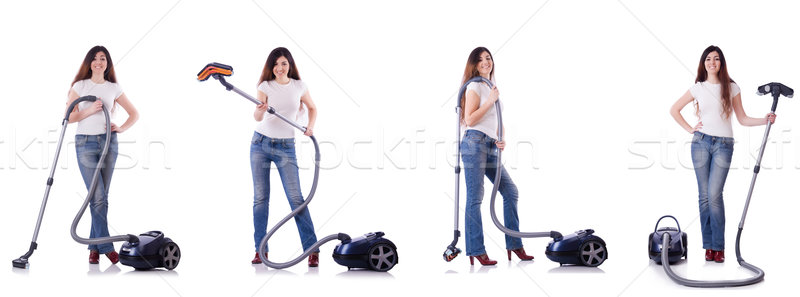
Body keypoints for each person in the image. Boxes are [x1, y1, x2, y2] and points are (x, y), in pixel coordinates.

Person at [669, 45, 775, 263]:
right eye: (708, 59)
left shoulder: (732, 87)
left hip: (723, 145)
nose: (712, 62)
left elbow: (743, 119)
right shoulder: (698, 87)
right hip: (700, 143)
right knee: (704, 196)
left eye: (716, 59)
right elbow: (674, 109)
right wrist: (691, 129)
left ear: (721, 63)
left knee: (715, 195)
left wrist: (765, 120)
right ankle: (708, 246)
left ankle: (719, 247)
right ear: (703, 63)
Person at [459, 47, 533, 266]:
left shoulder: (490, 87)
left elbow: (494, 119)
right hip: (474, 143)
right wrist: (490, 100)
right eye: (480, 59)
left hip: (491, 145)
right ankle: (476, 249)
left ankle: (515, 245)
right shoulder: (474, 86)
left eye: (488, 58)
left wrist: (501, 138)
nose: (486, 62)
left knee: (510, 191)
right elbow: (470, 120)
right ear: (474, 64)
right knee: (475, 197)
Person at [66, 45, 139, 264]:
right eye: (96, 58)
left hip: (109, 143)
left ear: (107, 63)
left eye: (103, 58)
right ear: (89, 62)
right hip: (85, 144)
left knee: (100, 198)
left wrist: (122, 128)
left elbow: (135, 114)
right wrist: (90, 109)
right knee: (97, 197)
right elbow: (70, 117)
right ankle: (107, 246)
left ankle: (93, 248)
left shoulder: (114, 87)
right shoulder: (80, 85)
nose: (99, 62)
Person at [250, 47, 320, 267]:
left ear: (290, 65)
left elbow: (312, 108)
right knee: (260, 200)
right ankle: (261, 250)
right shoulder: (265, 86)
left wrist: (309, 127)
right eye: (276, 64)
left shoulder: (299, 86)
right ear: (271, 67)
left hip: (286, 147)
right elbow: (256, 116)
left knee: (296, 199)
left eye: (284, 64)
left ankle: (312, 249)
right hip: (260, 143)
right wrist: (261, 109)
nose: (280, 68)